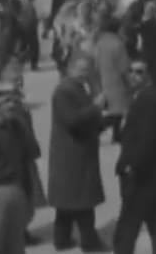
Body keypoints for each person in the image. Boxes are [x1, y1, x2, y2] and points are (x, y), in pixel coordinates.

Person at [113, 60, 156, 254]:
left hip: (142, 175)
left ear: (149, 75)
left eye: (139, 72)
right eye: (130, 71)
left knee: (128, 225)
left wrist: (132, 166)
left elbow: (148, 139)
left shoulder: (147, 100)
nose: (133, 75)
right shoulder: (152, 96)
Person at [48, 57, 109, 252]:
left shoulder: (78, 88)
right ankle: (90, 242)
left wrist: (103, 122)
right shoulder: (64, 91)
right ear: (70, 69)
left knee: (67, 201)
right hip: (72, 155)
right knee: (82, 200)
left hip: (76, 152)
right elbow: (72, 121)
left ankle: (62, 239)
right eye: (81, 69)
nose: (84, 73)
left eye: (87, 70)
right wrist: (95, 107)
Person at [0, 82, 30, 254]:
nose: (11, 105)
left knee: (15, 246)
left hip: (16, 190)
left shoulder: (17, 126)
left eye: (15, 100)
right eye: (6, 101)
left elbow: (29, 153)